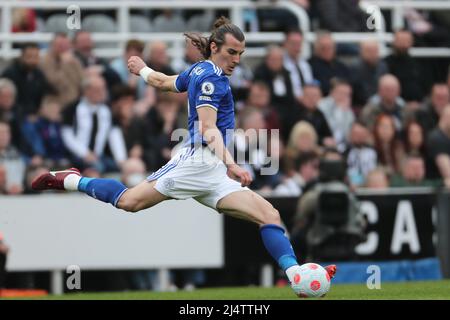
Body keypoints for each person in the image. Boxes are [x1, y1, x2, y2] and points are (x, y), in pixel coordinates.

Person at [31, 17, 336, 297]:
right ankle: (70, 179)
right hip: (195, 163)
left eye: (240, 54)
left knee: (269, 215)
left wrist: (143, 70)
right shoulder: (210, 79)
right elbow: (207, 128)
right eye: (231, 52)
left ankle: (297, 276)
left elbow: (164, 82)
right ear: (215, 47)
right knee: (129, 202)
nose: (236, 60)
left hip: (214, 171)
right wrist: (233, 163)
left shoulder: (201, 69)